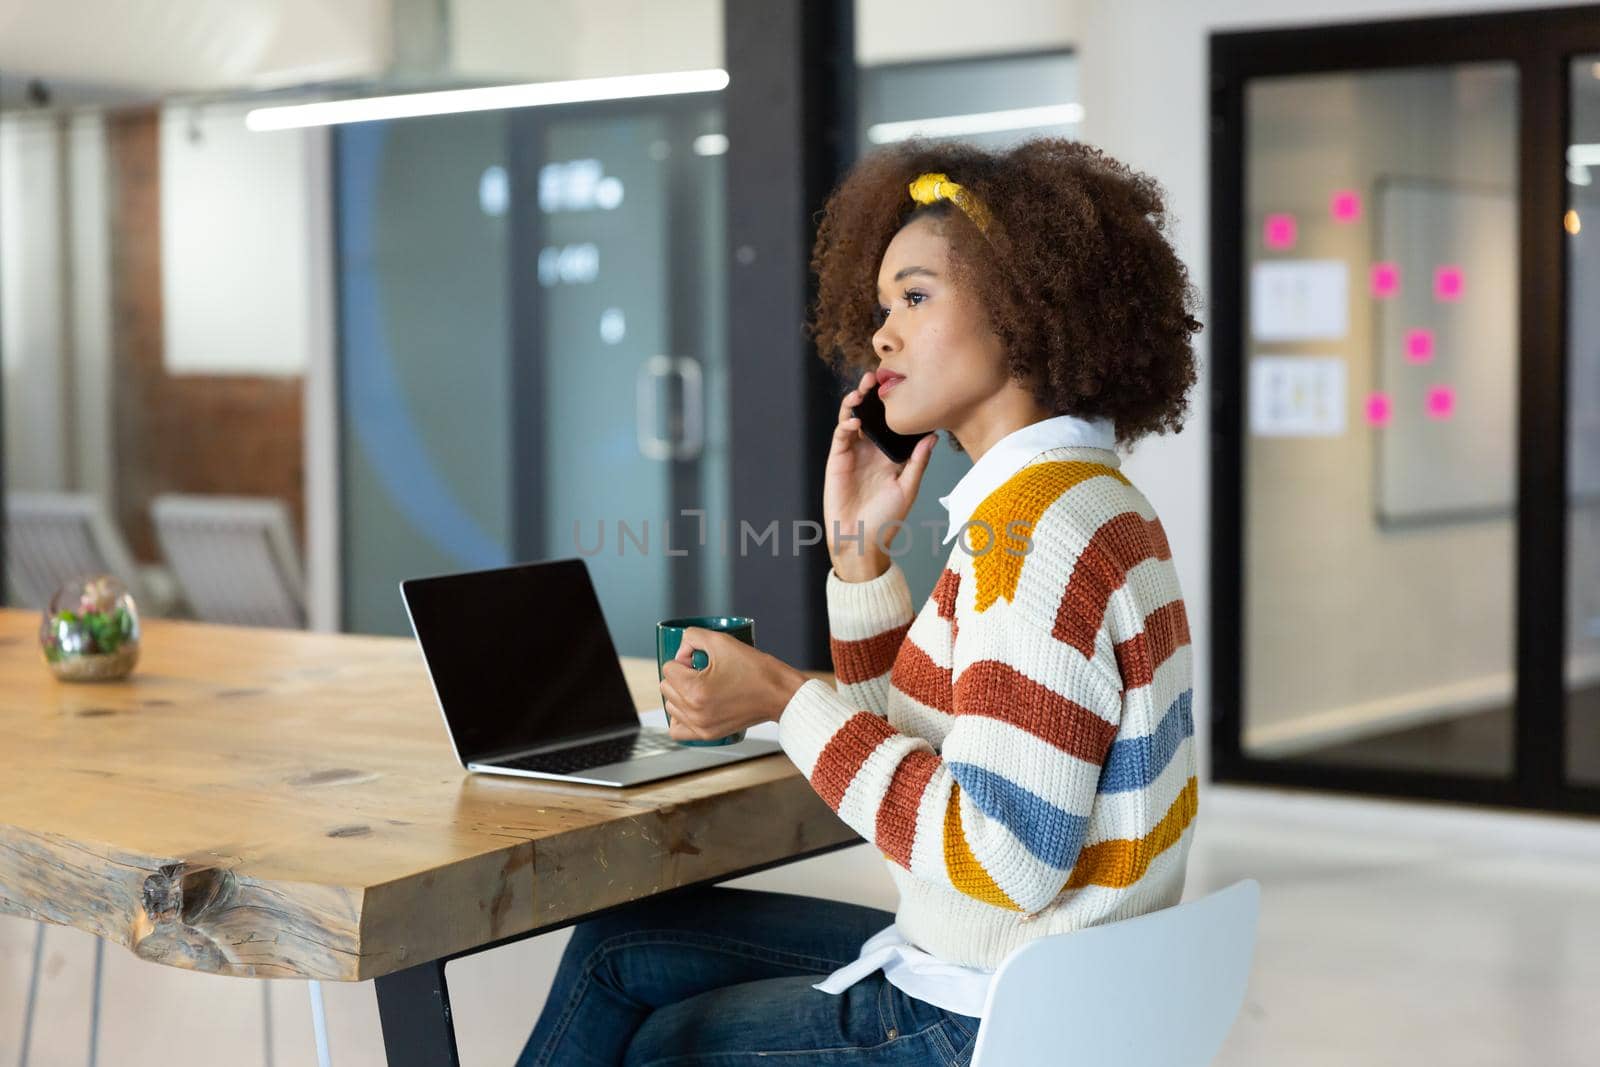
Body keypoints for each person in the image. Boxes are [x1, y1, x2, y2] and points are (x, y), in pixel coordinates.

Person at [516, 137, 1203, 1067]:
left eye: (916, 298)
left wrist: (784, 699)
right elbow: (931, 745)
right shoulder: (1089, 503)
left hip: (988, 1012)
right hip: (1043, 976)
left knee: (659, 1045)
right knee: (620, 948)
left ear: (1024, 308)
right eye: (883, 306)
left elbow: (1000, 856)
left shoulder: (1036, 538)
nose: (882, 335)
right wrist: (858, 555)